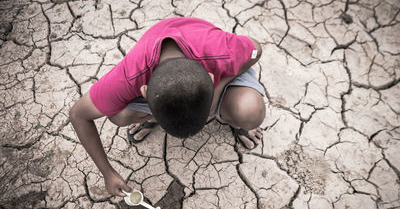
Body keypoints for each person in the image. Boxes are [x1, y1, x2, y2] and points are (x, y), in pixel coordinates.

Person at [69, 17, 266, 197]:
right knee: (119, 115)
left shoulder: (221, 52)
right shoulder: (129, 77)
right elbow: (78, 115)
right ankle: (155, 117)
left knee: (250, 111)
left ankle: (234, 119)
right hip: (180, 69)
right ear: (144, 91)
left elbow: (256, 50)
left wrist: (218, 87)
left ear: (211, 77)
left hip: (211, 60)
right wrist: (107, 173)